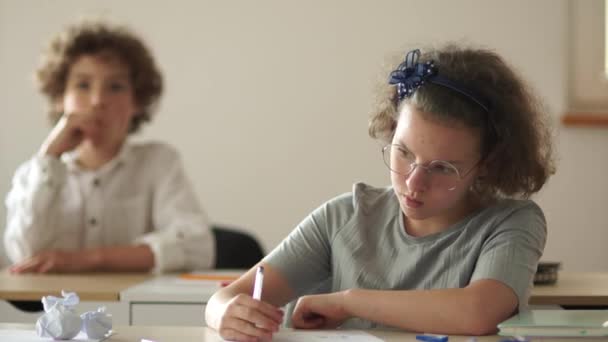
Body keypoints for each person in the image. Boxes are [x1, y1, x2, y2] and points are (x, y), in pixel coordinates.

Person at [204, 45, 555, 340]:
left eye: (443, 168)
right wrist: (225, 313)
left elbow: (478, 313)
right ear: (390, 131)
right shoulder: (344, 217)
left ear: (488, 164)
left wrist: (347, 302)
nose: (414, 183)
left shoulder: (512, 222)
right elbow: (226, 298)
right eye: (403, 153)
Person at [4, 20, 215, 274]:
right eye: (83, 85)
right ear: (60, 97)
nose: (97, 101)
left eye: (115, 87)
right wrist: (50, 155)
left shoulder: (159, 162)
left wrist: (88, 259)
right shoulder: (34, 173)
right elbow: (23, 254)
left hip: (133, 308)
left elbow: (197, 247)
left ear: (136, 101)